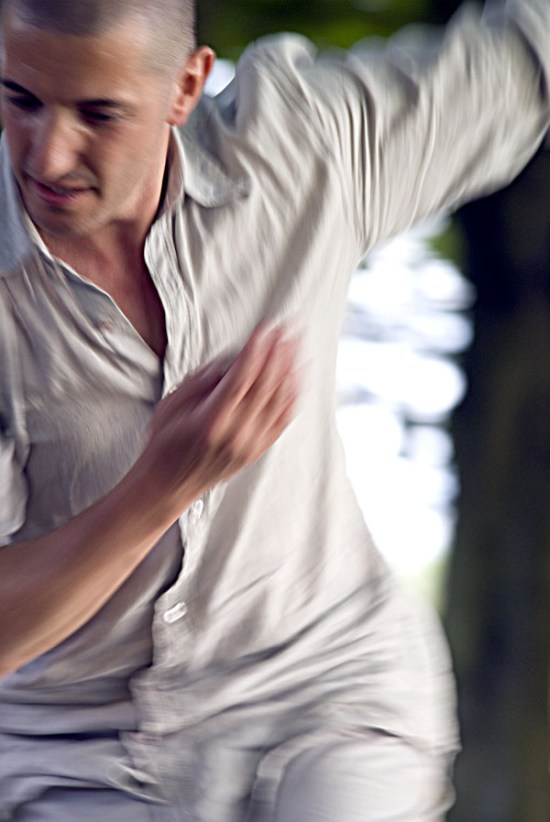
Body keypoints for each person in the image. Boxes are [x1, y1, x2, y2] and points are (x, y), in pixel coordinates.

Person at [0, 0, 548, 819]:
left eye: (99, 114)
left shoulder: (303, 146)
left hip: (324, 694)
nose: (48, 154)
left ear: (186, 87)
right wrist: (159, 487)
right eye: (20, 99)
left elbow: (523, 59)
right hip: (74, 754)